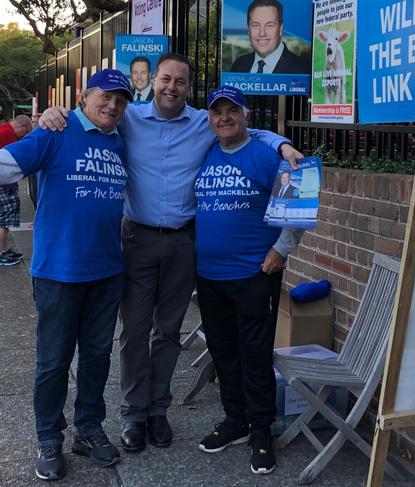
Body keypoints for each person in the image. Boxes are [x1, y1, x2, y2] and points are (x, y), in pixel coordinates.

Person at [39, 52, 302, 453]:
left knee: (168, 332)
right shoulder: (128, 117)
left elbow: (250, 131)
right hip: (137, 240)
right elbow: (92, 116)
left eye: (180, 81)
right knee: (134, 331)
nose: (171, 87)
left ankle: (158, 411)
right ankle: (133, 413)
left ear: (188, 88)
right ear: (152, 82)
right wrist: (52, 114)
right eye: (165, 79)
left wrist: (282, 143)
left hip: (183, 242)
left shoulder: (204, 121)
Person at [0, 69, 133, 481]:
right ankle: (48, 437)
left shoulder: (120, 143)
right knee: (54, 361)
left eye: (120, 100)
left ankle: (88, 428)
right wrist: (43, 121)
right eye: (104, 97)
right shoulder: (56, 130)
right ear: (85, 98)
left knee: (97, 357)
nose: (112, 106)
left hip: (108, 271)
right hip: (59, 272)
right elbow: (6, 166)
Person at [194, 85, 303, 475]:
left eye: (232, 111)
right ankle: (235, 421)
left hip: (255, 273)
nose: (224, 117)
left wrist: (282, 250)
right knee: (223, 352)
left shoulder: (264, 153)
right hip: (209, 275)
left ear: (245, 115)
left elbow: (297, 201)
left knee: (254, 356)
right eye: (216, 111)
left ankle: (261, 431)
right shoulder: (204, 151)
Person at [230, 0, 310, 75]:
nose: (262, 33)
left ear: (280, 28)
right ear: (248, 29)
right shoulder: (238, 66)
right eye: (256, 25)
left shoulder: (304, 70)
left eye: (270, 25)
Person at [0, 114, 32, 265]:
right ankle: (1, 253)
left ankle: (4, 250)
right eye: (25, 133)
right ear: (21, 126)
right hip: (4, 185)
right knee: (4, 219)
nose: (23, 137)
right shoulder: (7, 134)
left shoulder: (4, 130)